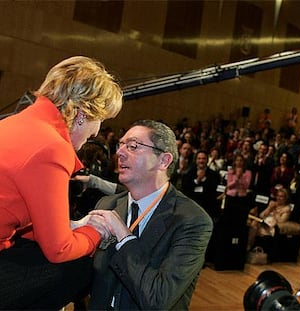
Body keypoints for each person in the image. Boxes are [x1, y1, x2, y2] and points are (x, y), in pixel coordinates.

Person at [0, 56, 123, 309]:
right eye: (101, 119)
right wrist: (95, 231)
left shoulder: (15, 122)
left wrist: (73, 226)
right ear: (82, 113)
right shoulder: (52, 147)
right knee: (81, 267)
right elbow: (59, 249)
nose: (97, 132)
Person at [88, 120, 213, 310]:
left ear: (163, 160)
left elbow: (157, 299)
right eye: (120, 145)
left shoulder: (192, 220)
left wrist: (123, 236)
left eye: (133, 146)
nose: (120, 153)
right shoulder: (108, 204)